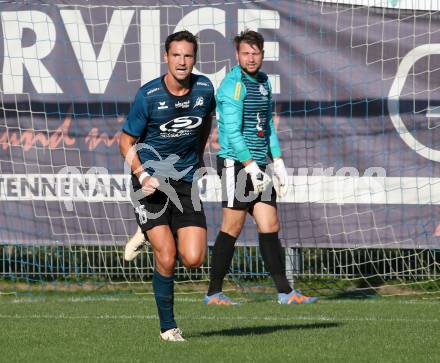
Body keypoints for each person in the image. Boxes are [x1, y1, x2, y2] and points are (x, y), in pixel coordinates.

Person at [204, 30, 317, 305]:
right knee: (232, 226)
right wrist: (250, 166)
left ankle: (285, 292)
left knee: (270, 224)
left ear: (263, 55)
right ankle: (213, 293)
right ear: (237, 55)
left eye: (256, 53)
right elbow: (231, 131)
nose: (251, 58)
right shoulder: (233, 85)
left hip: (259, 164)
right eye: (246, 53)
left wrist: (277, 162)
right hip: (236, 163)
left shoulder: (264, 82)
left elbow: (266, 126)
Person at [120, 30, 215, 341]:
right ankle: (168, 328)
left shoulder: (204, 88)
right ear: (166, 57)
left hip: (185, 181)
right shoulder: (148, 95)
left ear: (195, 59)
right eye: (176, 55)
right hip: (150, 182)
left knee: (194, 258)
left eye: (188, 55)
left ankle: (149, 232)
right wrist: (143, 174)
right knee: (167, 256)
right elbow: (126, 141)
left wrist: (198, 159)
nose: (182, 61)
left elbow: (203, 125)